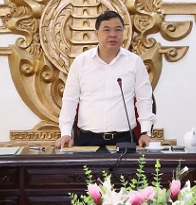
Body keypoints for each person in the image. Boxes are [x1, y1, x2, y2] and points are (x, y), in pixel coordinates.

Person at [56, 11, 155, 149]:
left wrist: (145, 132)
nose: (113, 34)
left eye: (118, 29)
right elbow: (70, 100)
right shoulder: (81, 62)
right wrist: (66, 133)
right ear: (97, 33)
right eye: (106, 29)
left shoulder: (134, 62)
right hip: (87, 139)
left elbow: (144, 99)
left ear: (124, 33)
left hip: (125, 139)